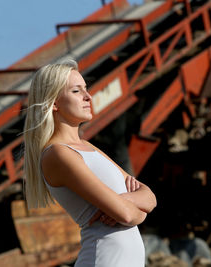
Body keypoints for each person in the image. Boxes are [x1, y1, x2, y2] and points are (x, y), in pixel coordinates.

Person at [23, 58, 157, 266]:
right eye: (76, 91)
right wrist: (131, 206)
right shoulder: (58, 154)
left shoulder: (88, 147)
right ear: (54, 103)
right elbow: (129, 215)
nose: (88, 96)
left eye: (86, 89)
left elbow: (150, 197)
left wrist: (125, 202)